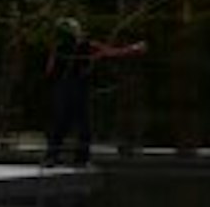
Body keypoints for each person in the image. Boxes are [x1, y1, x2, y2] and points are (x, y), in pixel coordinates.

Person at [40, 17, 150, 167]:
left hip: (61, 88)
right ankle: (81, 160)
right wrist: (134, 48)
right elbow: (112, 52)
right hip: (77, 88)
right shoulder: (87, 45)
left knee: (60, 124)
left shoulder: (58, 48)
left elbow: (49, 71)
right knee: (83, 125)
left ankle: (51, 157)